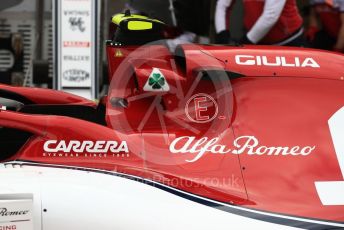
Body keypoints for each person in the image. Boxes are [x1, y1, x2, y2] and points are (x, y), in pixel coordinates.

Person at [215, 0, 306, 46]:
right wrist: (222, 35)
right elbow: (223, 5)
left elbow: (270, 15)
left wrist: (245, 42)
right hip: (257, 41)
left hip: (287, 40)